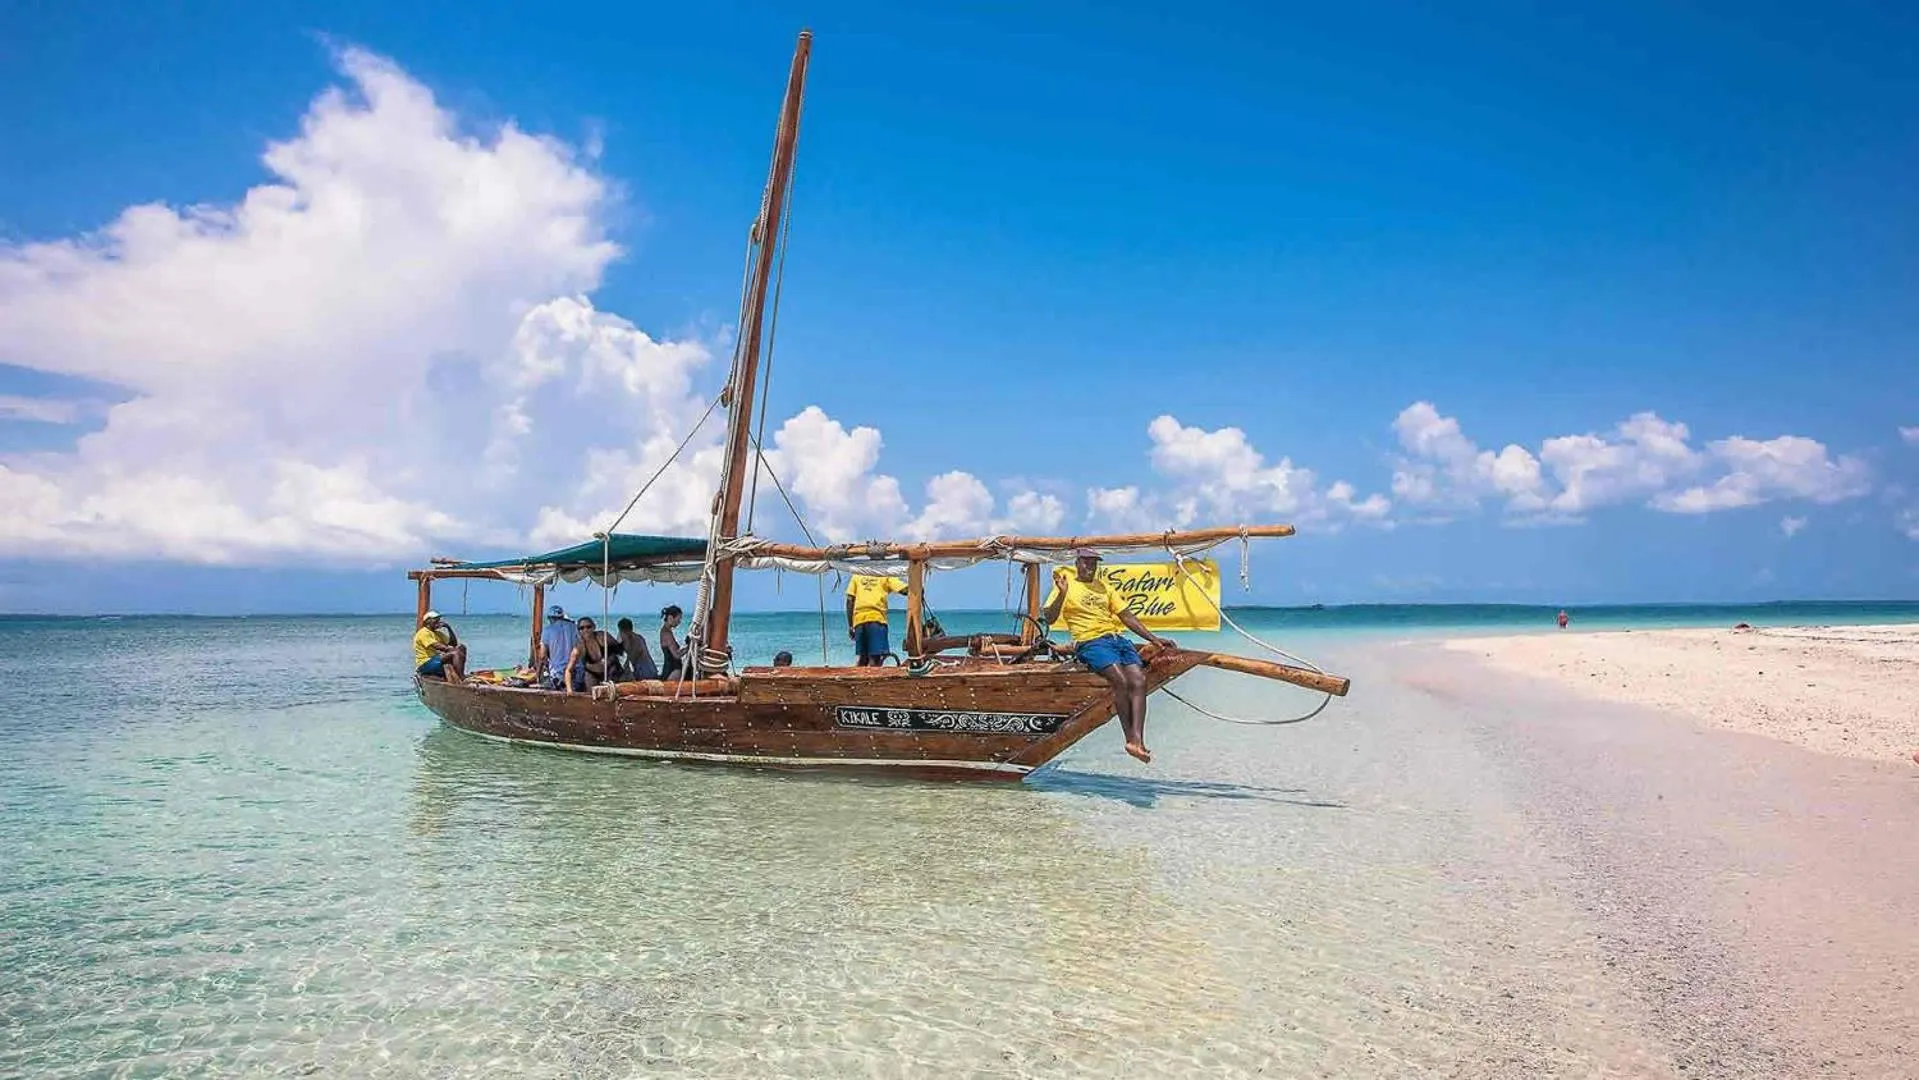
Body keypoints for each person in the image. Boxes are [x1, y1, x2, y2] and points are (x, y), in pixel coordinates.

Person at [1041, 548, 1175, 764]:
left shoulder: (1105, 587)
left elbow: (1127, 617)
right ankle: (1130, 739)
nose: (1090, 567)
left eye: (1094, 563)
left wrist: (1154, 640)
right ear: (1077, 563)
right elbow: (1049, 617)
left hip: (1116, 639)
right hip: (1090, 641)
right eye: (1086, 562)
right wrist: (1062, 594)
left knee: (1139, 680)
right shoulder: (1066, 584)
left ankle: (1138, 741)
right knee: (1121, 681)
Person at [845, 573, 907, 666]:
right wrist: (917, 590)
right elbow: (904, 590)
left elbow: (850, 600)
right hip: (876, 620)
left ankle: (857, 678)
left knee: (863, 658)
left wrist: (851, 626)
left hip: (859, 621)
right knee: (875, 658)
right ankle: (870, 680)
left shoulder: (857, 575)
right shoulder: (884, 574)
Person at [412, 610, 467, 682]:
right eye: (436, 620)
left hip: (436, 660)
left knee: (461, 647)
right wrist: (453, 651)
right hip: (426, 664)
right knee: (455, 653)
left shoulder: (438, 633)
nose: (438, 622)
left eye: (439, 620)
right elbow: (438, 646)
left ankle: (459, 673)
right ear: (428, 621)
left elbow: (454, 644)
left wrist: (448, 628)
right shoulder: (423, 633)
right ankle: (461, 678)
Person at [537, 605, 583, 691]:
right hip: (577, 673)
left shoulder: (547, 630)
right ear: (562, 616)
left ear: (550, 618)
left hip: (558, 675)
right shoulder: (573, 627)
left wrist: (540, 672)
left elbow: (542, 656)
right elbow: (580, 647)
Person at [570, 616, 620, 690]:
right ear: (578, 631)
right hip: (592, 672)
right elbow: (569, 670)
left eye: (588, 627)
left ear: (594, 627)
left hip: (610, 670)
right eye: (582, 628)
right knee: (590, 688)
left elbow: (619, 650)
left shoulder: (603, 637)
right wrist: (569, 689)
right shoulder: (579, 648)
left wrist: (609, 659)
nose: (585, 630)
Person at [658, 605, 686, 680]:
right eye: (678, 619)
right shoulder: (667, 634)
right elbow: (677, 655)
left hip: (670, 669)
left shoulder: (665, 631)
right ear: (670, 618)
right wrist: (689, 647)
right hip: (673, 670)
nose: (679, 622)